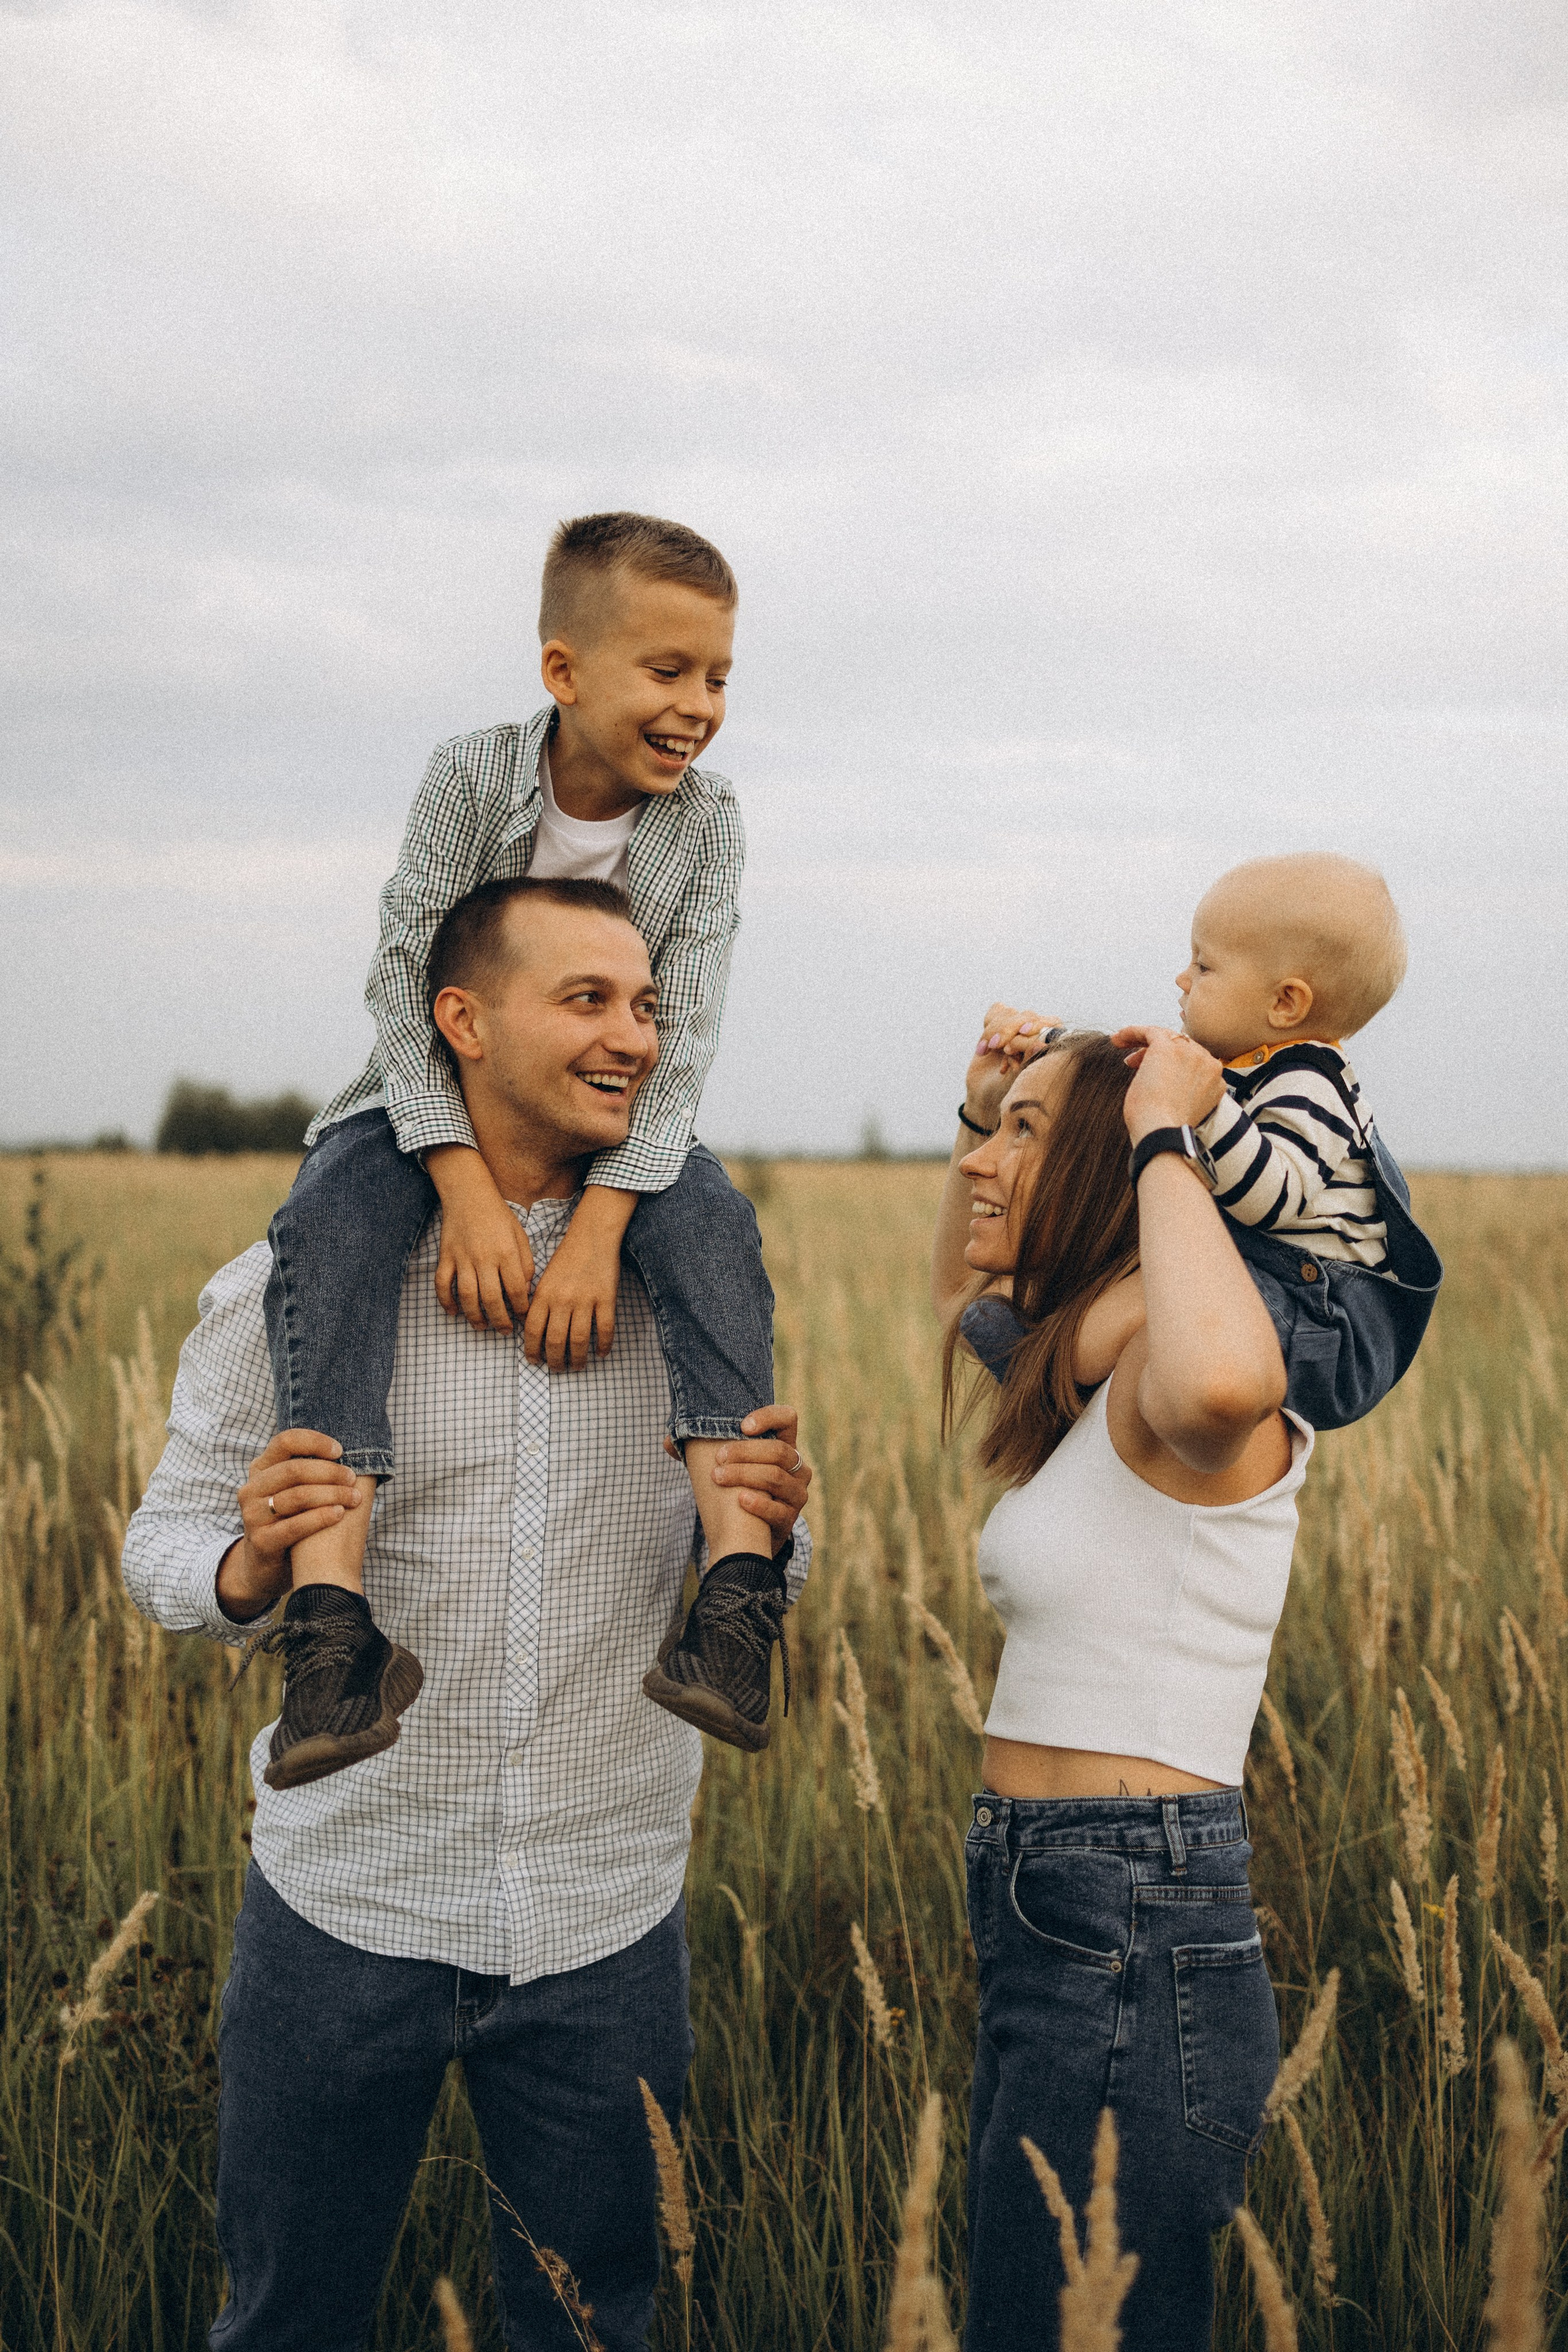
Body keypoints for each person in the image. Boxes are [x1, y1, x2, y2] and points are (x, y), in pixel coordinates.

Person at [123, 878, 813, 2352]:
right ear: (460, 1021)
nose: (632, 1035)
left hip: (604, 1922)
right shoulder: (292, 1292)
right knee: (283, 2322)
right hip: (341, 1910)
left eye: (644, 1004)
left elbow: (768, 1570)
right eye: (585, 1000)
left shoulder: (689, 1294)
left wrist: (770, 1524)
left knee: (590, 2328)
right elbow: (158, 1548)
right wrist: (246, 1571)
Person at [262, 511, 787, 1779]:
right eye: (666, 671)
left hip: (625, 1119)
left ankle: (736, 1602)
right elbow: (403, 985)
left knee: (710, 1225)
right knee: (330, 1214)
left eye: (718, 676)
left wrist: (602, 1220)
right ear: (563, 672)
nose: (698, 705)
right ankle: (332, 1626)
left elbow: (688, 1030)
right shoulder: (469, 777)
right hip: (420, 1095)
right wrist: (458, 1179)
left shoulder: (706, 826)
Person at [932, 1019, 1311, 2352]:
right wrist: (995, 1104)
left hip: (1129, 1909)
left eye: (1025, 1137)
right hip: (1063, 1902)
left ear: (1107, 1172)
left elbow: (1227, 1371)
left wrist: (1164, 1126)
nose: (982, 1160)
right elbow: (961, 1281)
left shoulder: (1178, 1375)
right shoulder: (1091, 1372)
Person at [960, 853, 1441, 1431]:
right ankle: (1056, 1365)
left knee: (1147, 1298)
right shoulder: (1246, 1068)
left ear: (1285, 1003)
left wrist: (1197, 1109)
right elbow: (1127, 1060)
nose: (1182, 979)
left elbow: (1273, 1197)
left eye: (1204, 966)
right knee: (1149, 1291)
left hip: (1320, 1315)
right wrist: (1049, 1042)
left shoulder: (1311, 1084)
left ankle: (1041, 1369)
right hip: (1277, 1287)